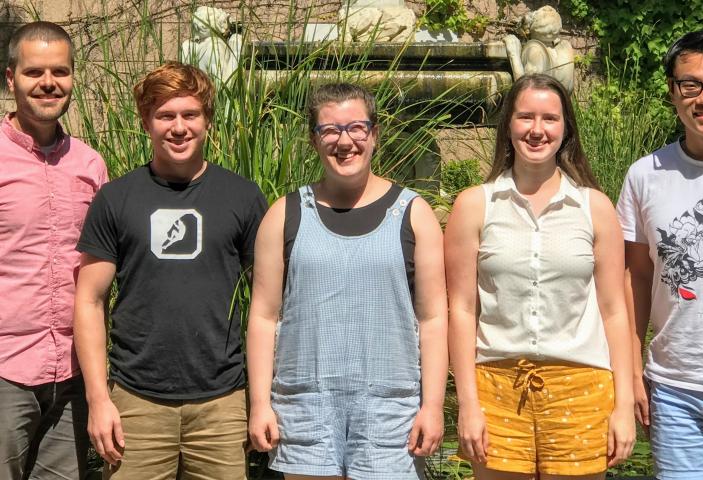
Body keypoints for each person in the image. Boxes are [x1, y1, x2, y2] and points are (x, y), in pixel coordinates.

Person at [73, 62, 267, 479]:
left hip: (222, 402)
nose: (178, 128)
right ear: (146, 121)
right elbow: (89, 301)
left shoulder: (243, 196)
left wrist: (262, 400)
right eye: (165, 115)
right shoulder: (115, 199)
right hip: (136, 403)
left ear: (208, 120)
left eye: (190, 115)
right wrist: (98, 399)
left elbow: (269, 306)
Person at [246, 82, 447, 479]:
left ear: (373, 134)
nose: (345, 141)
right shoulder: (284, 215)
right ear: (314, 139)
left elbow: (433, 319)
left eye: (356, 128)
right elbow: (264, 317)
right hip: (307, 411)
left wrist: (433, 405)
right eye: (330, 130)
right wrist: (260, 403)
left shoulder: (413, 214)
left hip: (389, 415)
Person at [445, 73, 635, 479]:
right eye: (525, 117)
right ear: (508, 125)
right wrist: (467, 403)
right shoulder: (475, 206)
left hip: (581, 387)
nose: (536, 130)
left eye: (549, 118)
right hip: (496, 387)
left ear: (565, 128)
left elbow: (614, 310)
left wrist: (623, 406)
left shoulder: (594, 208)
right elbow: (460, 309)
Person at [0, 21, 108, 480]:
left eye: (60, 71)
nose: (49, 83)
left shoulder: (89, 164)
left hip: (71, 372)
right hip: (4, 370)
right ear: (11, 78)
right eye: (34, 72)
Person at [617, 30, 703, 480]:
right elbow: (636, 276)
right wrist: (630, 368)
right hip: (677, 389)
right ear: (672, 93)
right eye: (691, 85)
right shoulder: (645, 176)